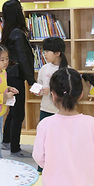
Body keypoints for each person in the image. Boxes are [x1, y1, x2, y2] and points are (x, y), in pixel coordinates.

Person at [0, 0, 36, 157]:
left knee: (13, 110)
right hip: (16, 77)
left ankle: (7, 141)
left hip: (10, 76)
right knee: (18, 113)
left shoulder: (9, 31)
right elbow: (23, 59)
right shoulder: (17, 33)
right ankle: (15, 148)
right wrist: (32, 81)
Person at [33, 37, 69, 173]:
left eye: (48, 51)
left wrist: (52, 91)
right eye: (44, 51)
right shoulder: (44, 68)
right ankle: (41, 167)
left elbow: (69, 93)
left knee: (61, 141)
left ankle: (61, 167)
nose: (44, 54)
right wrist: (38, 90)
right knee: (43, 140)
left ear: (58, 53)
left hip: (61, 112)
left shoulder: (67, 70)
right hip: (45, 109)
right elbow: (39, 84)